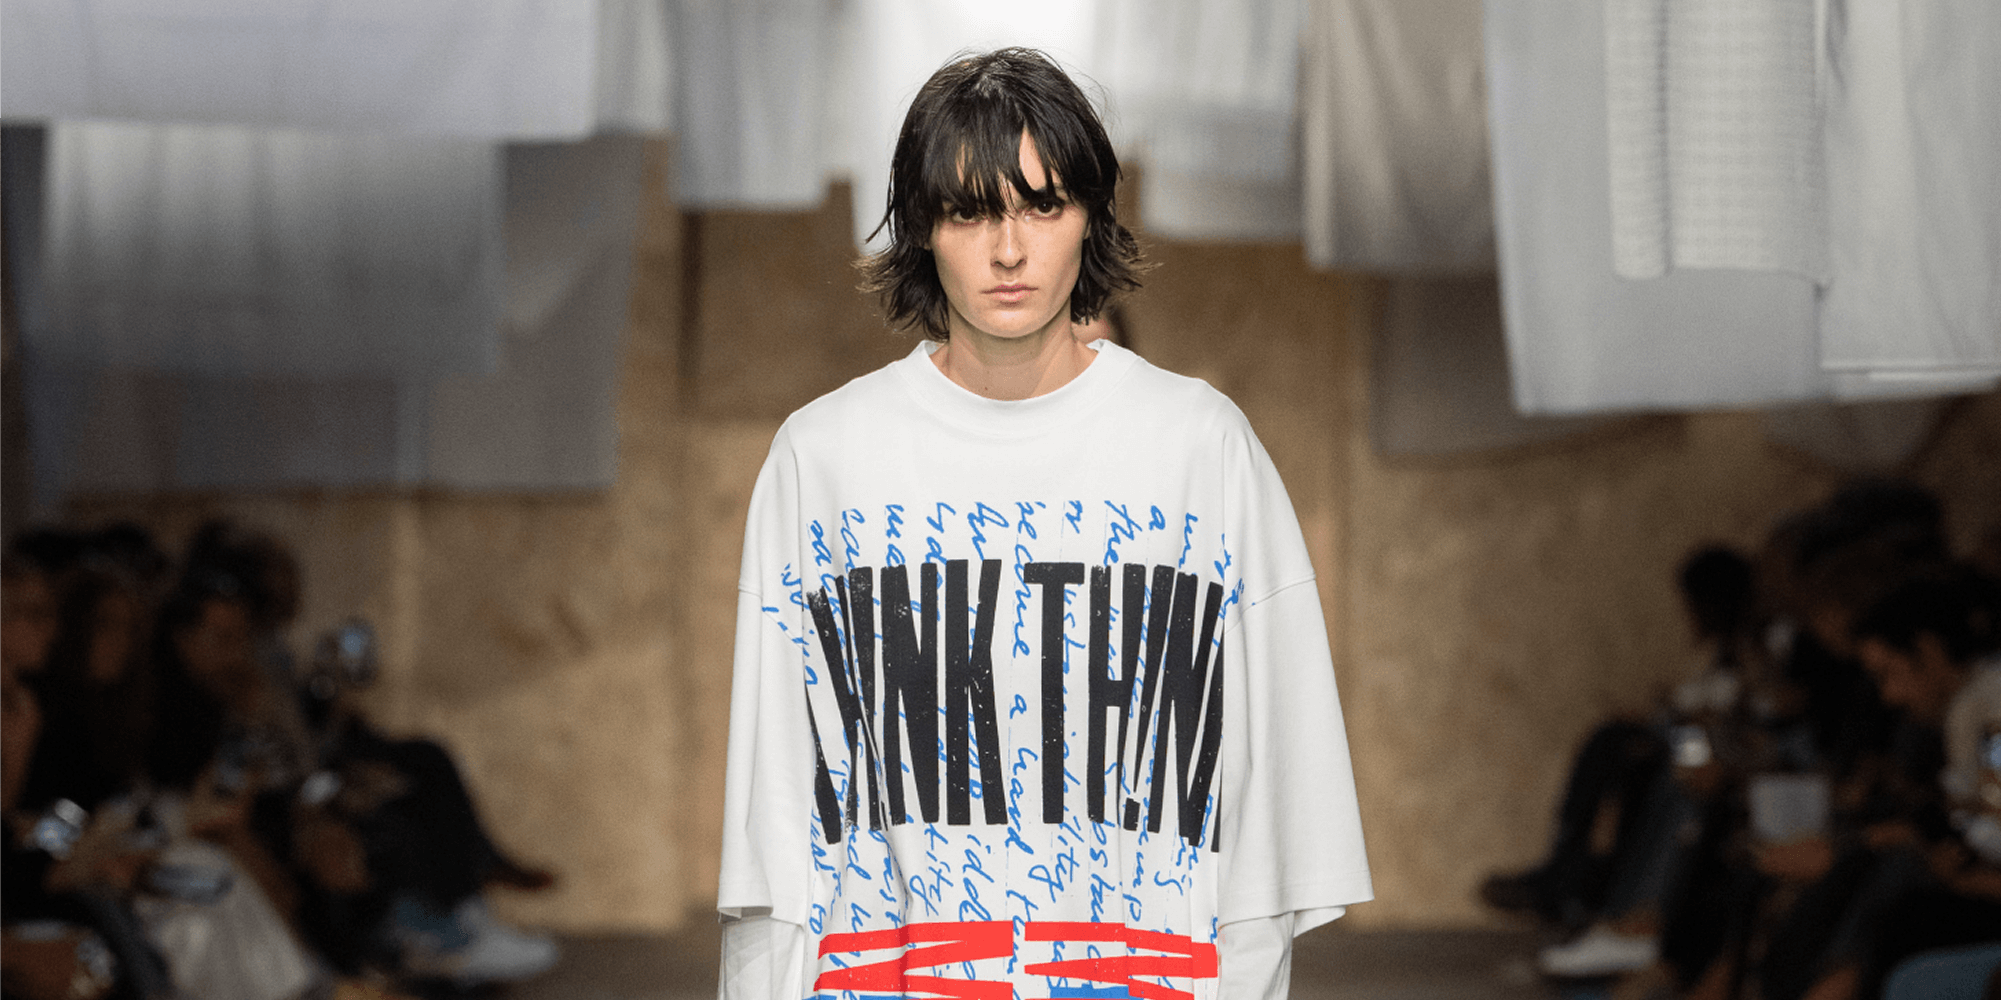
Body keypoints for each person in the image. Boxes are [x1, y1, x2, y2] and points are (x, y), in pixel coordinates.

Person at [716, 48, 1371, 1000]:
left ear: (1092, 216)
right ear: (921, 227)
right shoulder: (823, 460)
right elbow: (774, 824)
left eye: (1043, 205)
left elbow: (1275, 807)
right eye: (968, 211)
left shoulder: (1200, 449)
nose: (1008, 250)